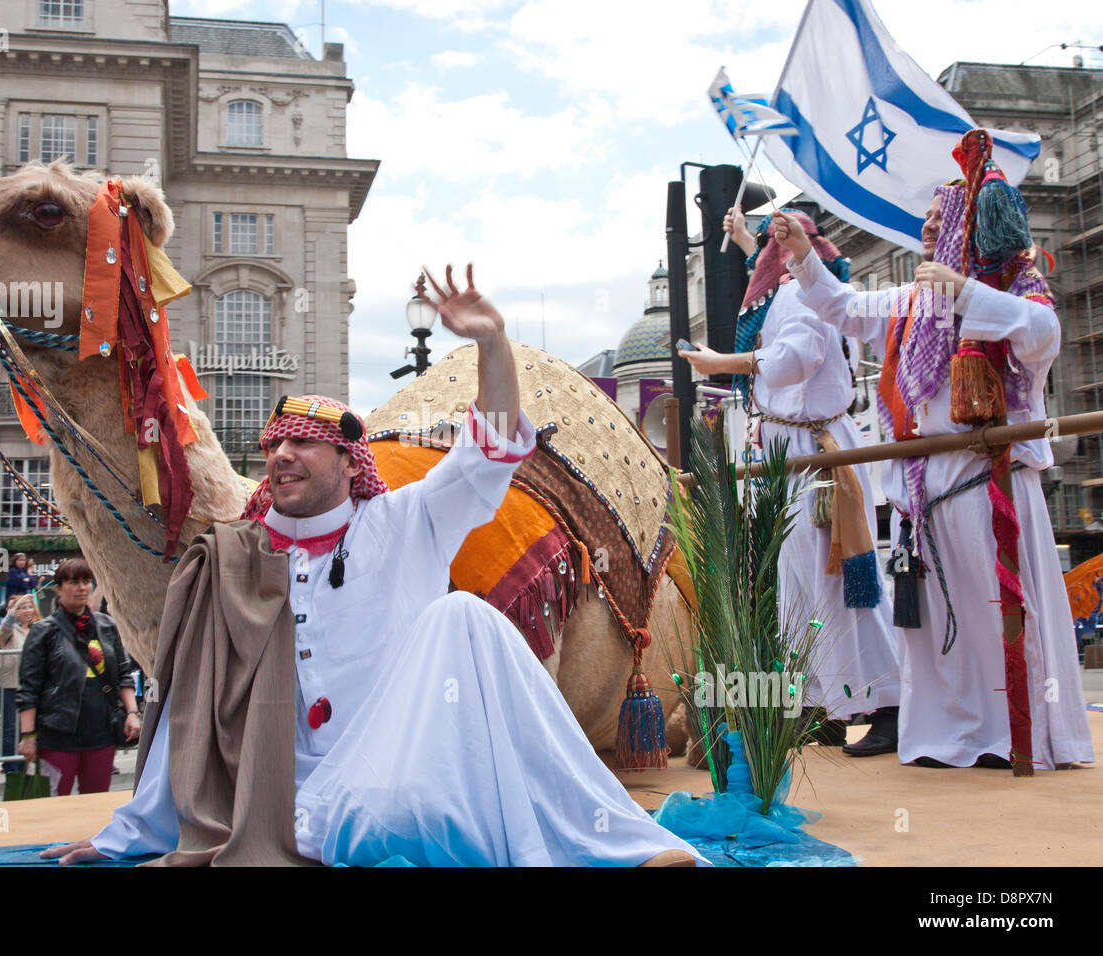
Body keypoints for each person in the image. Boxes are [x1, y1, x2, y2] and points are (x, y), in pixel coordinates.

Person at [45, 265, 706, 867]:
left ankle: (615, 846)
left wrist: (493, 342)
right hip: (288, 810)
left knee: (462, 619)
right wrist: (124, 839)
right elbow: (190, 705)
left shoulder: (405, 522)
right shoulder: (233, 559)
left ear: (347, 461)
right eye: (275, 446)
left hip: (401, 782)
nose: (281, 457)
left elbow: (493, 446)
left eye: (305, 443)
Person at [773, 129, 1095, 771]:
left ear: (969, 228)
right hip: (921, 491)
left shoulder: (1013, 287)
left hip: (988, 481)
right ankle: (947, 739)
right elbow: (841, 305)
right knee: (933, 632)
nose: (925, 226)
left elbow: (1043, 334)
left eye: (938, 218)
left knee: (991, 616)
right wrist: (804, 253)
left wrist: (964, 293)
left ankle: (1009, 737)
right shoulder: (911, 301)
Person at [683, 207, 902, 756]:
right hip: (790, 450)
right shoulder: (793, 285)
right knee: (796, 584)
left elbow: (793, 360)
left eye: (768, 242)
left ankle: (890, 704)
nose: (760, 254)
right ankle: (825, 706)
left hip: (814, 455)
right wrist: (738, 235)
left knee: (839, 581)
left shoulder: (805, 292)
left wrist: (721, 365)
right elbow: (766, 269)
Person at [17, 559, 140, 796]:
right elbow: (29, 689)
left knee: (94, 809)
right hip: (57, 734)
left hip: (101, 732)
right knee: (53, 805)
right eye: (74, 582)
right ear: (59, 589)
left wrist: (132, 713)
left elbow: (123, 674)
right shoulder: (44, 631)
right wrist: (28, 736)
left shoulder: (106, 625)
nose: (82, 587)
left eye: (86, 581)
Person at [0, 593, 37, 774]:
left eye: (29, 607)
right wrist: (13, 608)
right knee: (11, 726)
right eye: (22, 608)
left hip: (31, 684)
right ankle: (11, 766)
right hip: (10, 684)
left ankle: (26, 763)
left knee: (28, 726)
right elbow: (5, 627)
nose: (26, 611)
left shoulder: (37, 629)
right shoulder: (10, 630)